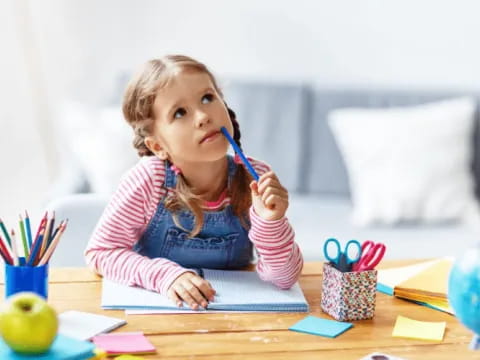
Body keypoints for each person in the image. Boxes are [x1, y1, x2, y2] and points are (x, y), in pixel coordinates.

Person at [84, 55, 303, 310]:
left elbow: (285, 278)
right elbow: (100, 253)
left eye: (208, 98)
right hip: (159, 318)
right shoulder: (148, 181)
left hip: (239, 322)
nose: (202, 116)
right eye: (179, 113)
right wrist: (165, 275)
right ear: (158, 146)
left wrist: (271, 223)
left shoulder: (254, 177)